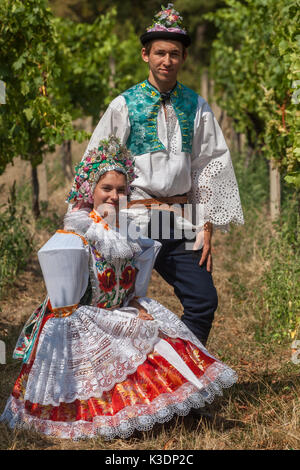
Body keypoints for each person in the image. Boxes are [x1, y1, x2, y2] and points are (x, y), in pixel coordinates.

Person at [0, 136, 237, 440]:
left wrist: (137, 308)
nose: (113, 196)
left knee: (164, 337)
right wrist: (110, 322)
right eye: (106, 189)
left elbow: (133, 289)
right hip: (83, 322)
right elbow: (64, 311)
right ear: (91, 191)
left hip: (119, 312)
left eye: (121, 190)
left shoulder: (130, 234)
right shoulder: (75, 237)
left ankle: (172, 411)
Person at [80, 4, 244, 347]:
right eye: (159, 53)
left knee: (203, 301)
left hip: (181, 218)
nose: (166, 60)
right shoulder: (124, 105)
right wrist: (90, 223)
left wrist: (206, 224)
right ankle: (123, 386)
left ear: (183, 57)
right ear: (145, 55)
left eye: (173, 53)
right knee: (116, 303)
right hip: (132, 217)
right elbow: (96, 163)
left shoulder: (196, 106)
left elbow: (209, 165)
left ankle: (185, 376)